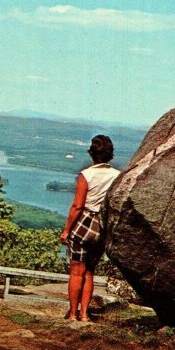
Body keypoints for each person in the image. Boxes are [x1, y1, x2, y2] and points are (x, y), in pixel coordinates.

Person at [59, 135, 121, 322]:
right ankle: (85, 314)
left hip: (83, 225)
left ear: (92, 154)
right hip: (101, 227)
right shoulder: (118, 176)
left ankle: (73, 314)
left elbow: (77, 206)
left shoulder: (86, 175)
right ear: (110, 155)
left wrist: (66, 231)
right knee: (89, 272)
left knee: (76, 271)